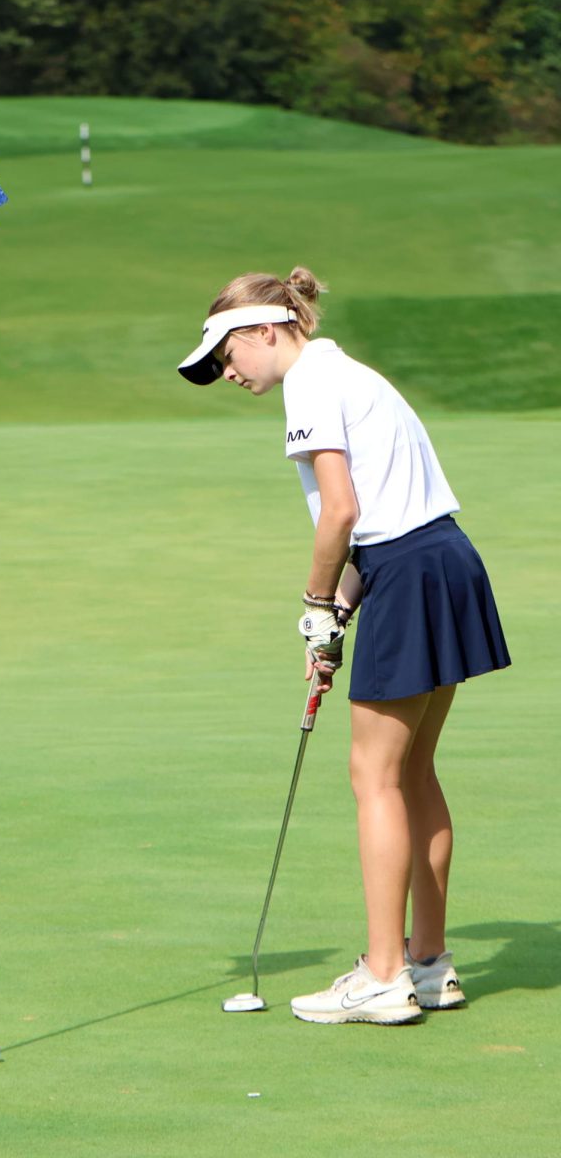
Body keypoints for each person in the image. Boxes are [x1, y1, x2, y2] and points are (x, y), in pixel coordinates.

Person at [177, 266, 510, 1025]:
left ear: (266, 329)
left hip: (410, 568)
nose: (227, 372)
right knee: (412, 769)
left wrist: (316, 605)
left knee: (374, 776)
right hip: (441, 560)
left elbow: (341, 513)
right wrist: (338, 618)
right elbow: (377, 530)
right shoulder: (349, 373)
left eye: (228, 354)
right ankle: (429, 963)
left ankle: (384, 974)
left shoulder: (309, 385)